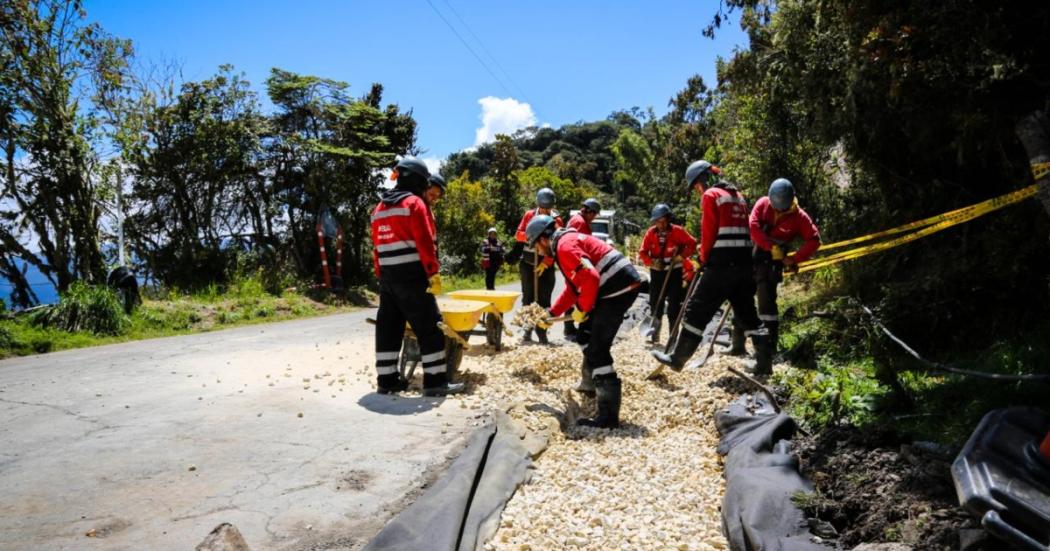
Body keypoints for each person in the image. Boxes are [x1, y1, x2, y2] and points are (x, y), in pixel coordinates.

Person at [651, 160, 772, 374]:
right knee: (748, 314)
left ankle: (678, 359)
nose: (698, 190)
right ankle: (764, 365)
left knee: (696, 309)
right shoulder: (739, 197)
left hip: (721, 266)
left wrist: (703, 257)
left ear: (703, 179)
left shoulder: (711, 196)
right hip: (744, 266)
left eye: (696, 186)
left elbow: (709, 234)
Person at [527, 215, 641, 428]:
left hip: (618, 289)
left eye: (536, 247)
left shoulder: (564, 247)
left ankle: (608, 417)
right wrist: (552, 312)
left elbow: (590, 278)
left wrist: (582, 309)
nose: (539, 252)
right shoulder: (563, 244)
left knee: (598, 349)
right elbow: (573, 288)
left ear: (543, 239)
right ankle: (591, 385)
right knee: (584, 335)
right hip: (613, 286)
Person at [370, 157, 463, 396]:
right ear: (416, 180)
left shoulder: (378, 209)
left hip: (388, 279)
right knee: (431, 327)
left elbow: (376, 248)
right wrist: (432, 272)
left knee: (389, 327)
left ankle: (386, 380)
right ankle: (435, 382)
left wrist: (382, 274)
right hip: (412, 276)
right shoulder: (414, 204)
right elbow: (424, 243)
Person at [726, 178, 821, 355]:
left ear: (791, 202)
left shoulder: (799, 217)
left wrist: (794, 259)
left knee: (766, 303)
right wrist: (770, 246)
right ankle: (737, 344)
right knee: (741, 297)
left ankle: (768, 348)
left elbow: (814, 240)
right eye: (775, 207)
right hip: (753, 254)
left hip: (772, 263)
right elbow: (752, 226)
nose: (777, 210)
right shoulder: (763, 203)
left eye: (781, 208)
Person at [505, 188, 562, 344]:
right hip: (528, 263)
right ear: (538, 204)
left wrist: (547, 262)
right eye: (543, 208)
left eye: (548, 209)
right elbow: (518, 235)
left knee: (544, 300)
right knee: (528, 298)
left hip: (546, 265)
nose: (545, 211)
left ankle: (542, 332)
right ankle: (527, 330)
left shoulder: (556, 219)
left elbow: (557, 245)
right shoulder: (529, 215)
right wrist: (534, 233)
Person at [638, 203, 697, 343]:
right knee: (655, 303)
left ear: (669, 219)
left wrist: (681, 256)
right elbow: (643, 252)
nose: (661, 224)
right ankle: (655, 334)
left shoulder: (678, 231)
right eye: (658, 221)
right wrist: (652, 262)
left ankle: (673, 335)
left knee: (674, 305)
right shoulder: (651, 233)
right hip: (657, 272)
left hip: (674, 272)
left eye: (664, 221)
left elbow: (692, 243)